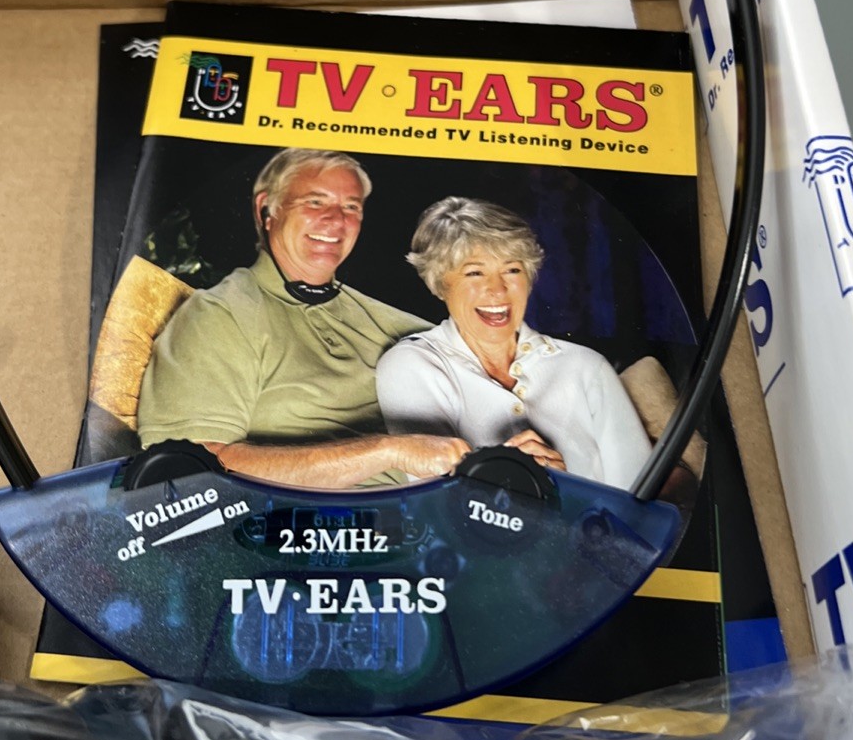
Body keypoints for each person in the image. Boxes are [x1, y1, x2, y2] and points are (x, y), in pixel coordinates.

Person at [136, 149, 469, 488]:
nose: (336, 220)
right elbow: (188, 470)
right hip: (308, 517)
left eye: (351, 207)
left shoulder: (391, 322)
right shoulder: (221, 315)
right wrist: (389, 452)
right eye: (315, 202)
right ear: (267, 209)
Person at [376, 197, 654, 489]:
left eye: (512, 270)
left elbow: (639, 500)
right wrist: (549, 488)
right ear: (440, 284)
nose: (497, 290)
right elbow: (437, 501)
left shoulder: (587, 367)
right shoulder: (412, 366)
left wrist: (564, 488)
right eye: (475, 272)